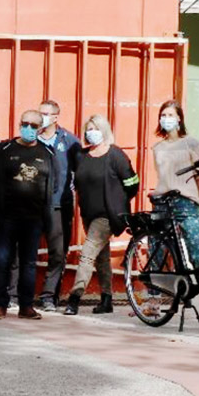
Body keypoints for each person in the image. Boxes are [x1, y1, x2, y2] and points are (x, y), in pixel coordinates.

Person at [151, 100, 199, 320]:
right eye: (163, 114)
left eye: (170, 114)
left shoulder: (191, 143)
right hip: (163, 201)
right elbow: (163, 177)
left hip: (186, 202)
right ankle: (153, 301)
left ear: (179, 118)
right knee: (158, 252)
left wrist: (194, 198)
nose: (166, 118)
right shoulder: (158, 147)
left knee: (196, 254)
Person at [0, 110, 56, 321]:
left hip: (34, 219)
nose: (29, 129)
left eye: (34, 126)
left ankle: (26, 306)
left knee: (29, 263)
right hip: (6, 217)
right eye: (25, 124)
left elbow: (54, 184)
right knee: (2, 260)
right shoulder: (4, 149)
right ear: (19, 124)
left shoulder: (47, 153)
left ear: (40, 129)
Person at [64, 115, 139, 315]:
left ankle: (74, 298)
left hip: (107, 215)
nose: (91, 132)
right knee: (102, 258)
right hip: (88, 214)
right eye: (88, 128)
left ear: (104, 130)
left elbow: (132, 183)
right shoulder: (82, 155)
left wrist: (119, 202)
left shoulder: (115, 155)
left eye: (95, 128)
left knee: (87, 255)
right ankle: (107, 299)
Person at [36, 100, 81, 312]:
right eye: (39, 113)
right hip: (33, 204)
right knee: (23, 251)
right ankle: (16, 295)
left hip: (59, 205)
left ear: (55, 117)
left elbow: (81, 170)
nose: (41, 117)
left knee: (57, 252)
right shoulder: (30, 139)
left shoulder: (70, 141)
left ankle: (48, 296)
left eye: (46, 113)